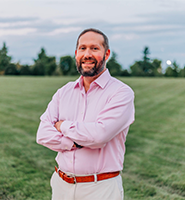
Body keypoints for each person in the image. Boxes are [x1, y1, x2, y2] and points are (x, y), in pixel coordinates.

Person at [36, 28, 135, 200]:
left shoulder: (121, 93)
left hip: (100, 188)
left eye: (94, 48)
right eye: (82, 48)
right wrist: (73, 142)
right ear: (76, 54)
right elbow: (42, 134)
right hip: (61, 185)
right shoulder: (64, 92)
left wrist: (62, 126)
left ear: (107, 54)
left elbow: (99, 135)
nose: (87, 54)